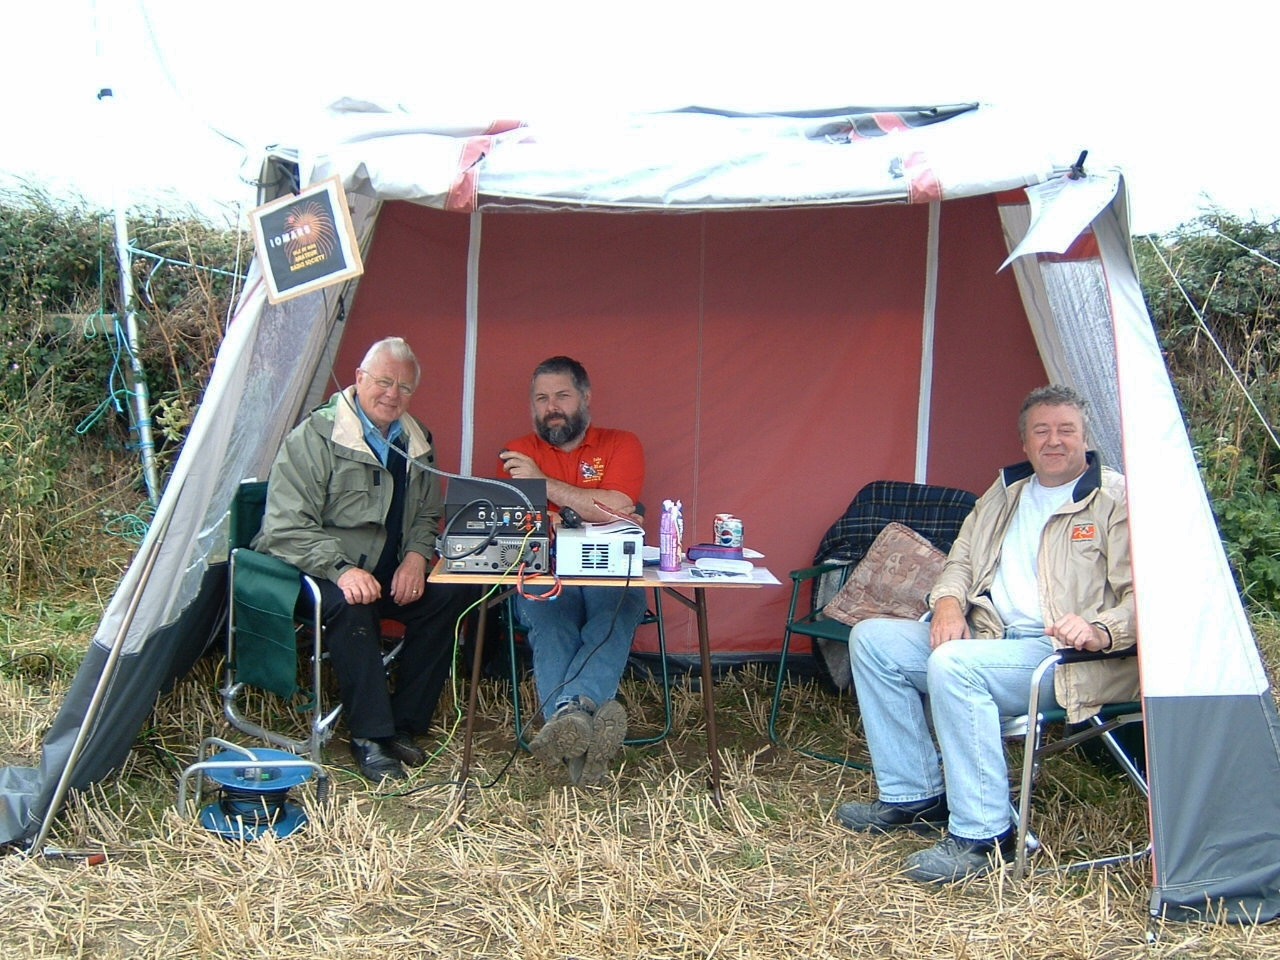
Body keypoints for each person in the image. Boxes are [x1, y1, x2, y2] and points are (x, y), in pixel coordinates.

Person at [835, 384, 1139, 883]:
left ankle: (984, 835)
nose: (1054, 441)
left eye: (1067, 430)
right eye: (1042, 431)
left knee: (955, 665)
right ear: (1025, 442)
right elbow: (960, 560)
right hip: (994, 636)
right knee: (872, 640)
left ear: (1087, 439)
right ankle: (915, 795)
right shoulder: (1005, 494)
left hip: (1069, 655)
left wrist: (1101, 628)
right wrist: (949, 604)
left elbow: (1150, 596)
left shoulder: (1115, 500)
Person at [253, 337, 474, 782]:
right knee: (353, 605)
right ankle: (369, 737)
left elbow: (428, 511)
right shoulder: (314, 437)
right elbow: (285, 527)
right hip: (313, 569)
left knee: (450, 593)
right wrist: (342, 569)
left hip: (384, 567)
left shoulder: (418, 439)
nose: (393, 394)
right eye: (384, 382)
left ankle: (404, 724)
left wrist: (415, 557)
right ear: (359, 380)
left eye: (404, 387)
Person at [499, 356, 646, 786]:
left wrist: (544, 486)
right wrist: (589, 510)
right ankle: (580, 723)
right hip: (543, 575)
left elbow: (619, 507)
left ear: (584, 397)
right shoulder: (516, 452)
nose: (552, 406)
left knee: (615, 611)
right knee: (551, 618)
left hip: (608, 572)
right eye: (542, 398)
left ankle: (569, 719)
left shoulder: (622, 443)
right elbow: (518, 527)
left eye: (562, 395)